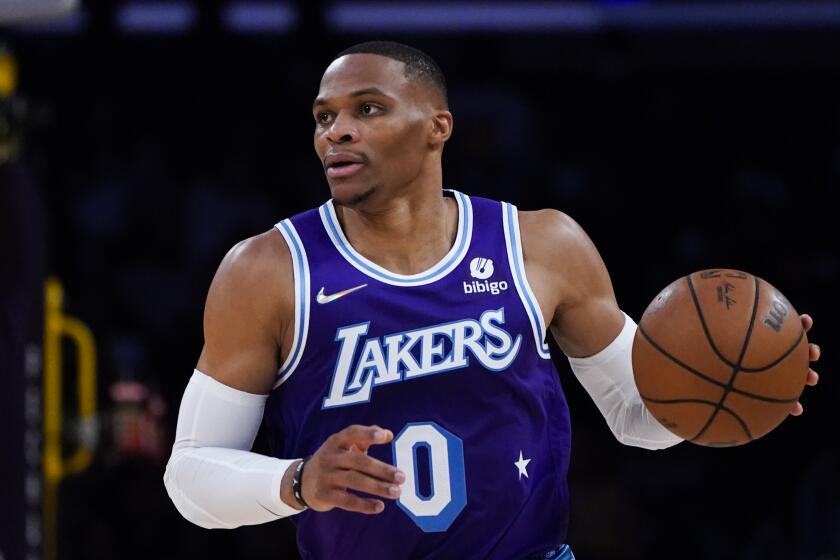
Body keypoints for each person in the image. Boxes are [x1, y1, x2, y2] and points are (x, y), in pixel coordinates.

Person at [163, 41, 820, 559]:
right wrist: (297, 482)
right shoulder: (268, 270)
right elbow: (189, 477)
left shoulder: (541, 244)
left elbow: (637, 417)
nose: (336, 131)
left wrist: (723, 392)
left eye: (367, 109)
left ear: (437, 127)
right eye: (324, 116)